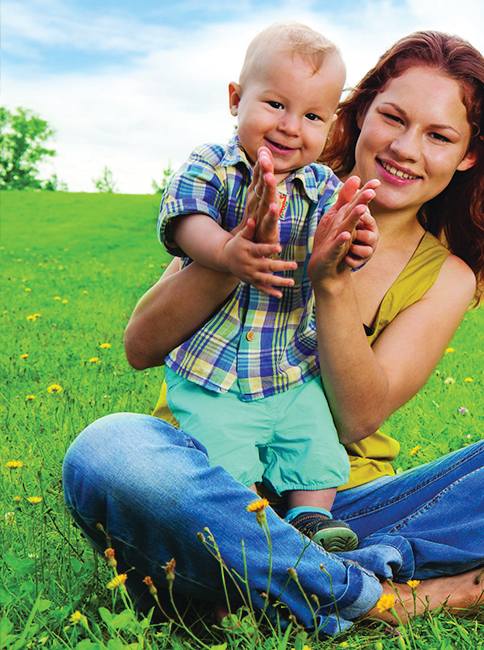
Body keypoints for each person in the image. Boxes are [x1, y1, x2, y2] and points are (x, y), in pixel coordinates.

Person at [62, 31, 484, 636]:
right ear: (360, 112)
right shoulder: (263, 183)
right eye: (392, 117)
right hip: (206, 491)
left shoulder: (446, 276)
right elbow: (140, 347)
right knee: (111, 449)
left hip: (340, 509)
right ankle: (391, 599)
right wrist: (240, 252)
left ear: (467, 155)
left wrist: (330, 287)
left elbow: (355, 420)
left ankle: (267, 589)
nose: (405, 148)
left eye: (439, 136)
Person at [157, 22, 378, 553]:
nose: (290, 127)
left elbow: (333, 240)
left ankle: (309, 520)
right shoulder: (213, 164)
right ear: (236, 99)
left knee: (316, 446)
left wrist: (353, 242)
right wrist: (227, 252)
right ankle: (250, 528)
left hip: (287, 369)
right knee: (224, 456)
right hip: (217, 371)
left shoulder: (324, 185)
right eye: (276, 104)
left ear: (330, 125)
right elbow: (184, 219)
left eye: (312, 116)